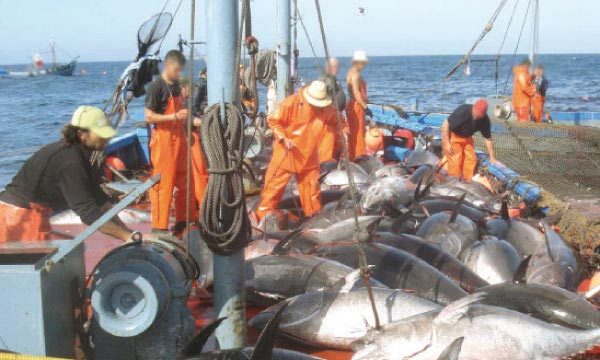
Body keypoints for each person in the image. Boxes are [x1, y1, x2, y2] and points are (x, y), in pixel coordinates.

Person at [0, 106, 140, 243]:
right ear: (81, 134)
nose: (107, 138)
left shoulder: (83, 154)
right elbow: (88, 212)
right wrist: (125, 236)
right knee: (33, 263)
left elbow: (100, 200)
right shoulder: (70, 161)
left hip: (32, 211)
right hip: (18, 216)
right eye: (101, 134)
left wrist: (129, 232)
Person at [256, 81, 337, 220]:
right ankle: (262, 217)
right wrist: (283, 137)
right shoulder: (292, 102)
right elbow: (273, 120)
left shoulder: (328, 109)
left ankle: (313, 218)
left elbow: (337, 124)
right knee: (273, 187)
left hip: (310, 154)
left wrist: (342, 139)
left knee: (311, 190)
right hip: (286, 152)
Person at [145, 50, 200, 236]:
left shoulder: (176, 86)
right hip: (163, 139)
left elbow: (183, 113)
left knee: (187, 180)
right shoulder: (156, 87)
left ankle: (185, 219)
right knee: (163, 184)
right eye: (176, 70)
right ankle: (159, 227)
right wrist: (173, 116)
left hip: (180, 137)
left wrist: (194, 121)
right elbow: (149, 116)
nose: (178, 74)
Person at [442, 99, 498, 182]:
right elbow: (445, 124)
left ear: (483, 115)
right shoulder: (463, 111)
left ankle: (467, 181)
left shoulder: (485, 120)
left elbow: (488, 139)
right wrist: (446, 143)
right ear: (473, 108)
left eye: (479, 117)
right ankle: (454, 181)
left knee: (471, 159)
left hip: (467, 138)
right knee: (456, 159)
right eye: (475, 114)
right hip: (454, 136)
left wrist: (492, 157)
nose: (476, 117)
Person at [180, 77, 209, 210]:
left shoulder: (182, 101)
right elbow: (186, 120)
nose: (189, 94)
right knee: (198, 172)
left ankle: (197, 202)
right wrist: (204, 122)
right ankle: (204, 204)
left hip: (186, 137)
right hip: (189, 138)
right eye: (189, 90)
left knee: (193, 173)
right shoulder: (179, 101)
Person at [318, 57, 347, 163]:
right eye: (335, 66)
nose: (337, 69)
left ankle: (334, 160)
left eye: (337, 67)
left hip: (336, 117)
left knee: (337, 144)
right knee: (328, 147)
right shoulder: (326, 80)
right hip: (329, 120)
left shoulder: (333, 79)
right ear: (328, 67)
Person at [346, 50, 372, 160]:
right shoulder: (355, 74)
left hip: (354, 104)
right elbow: (356, 93)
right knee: (359, 133)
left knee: (355, 132)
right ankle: (359, 157)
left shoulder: (351, 72)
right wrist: (365, 108)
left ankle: (353, 156)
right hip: (356, 106)